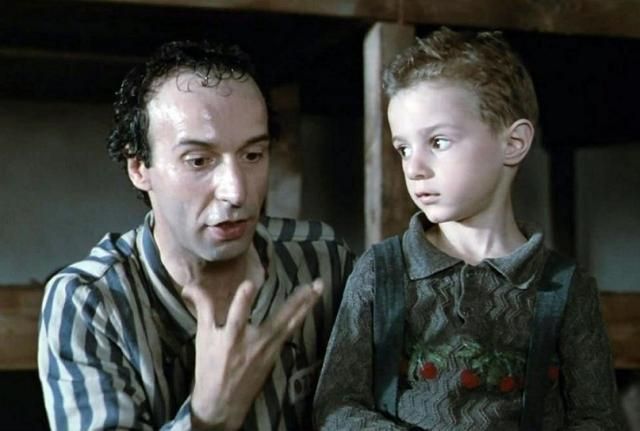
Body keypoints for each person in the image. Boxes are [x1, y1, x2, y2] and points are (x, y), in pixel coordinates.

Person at [314, 27, 624, 430]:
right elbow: (336, 407)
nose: (414, 167)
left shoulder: (565, 288)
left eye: (438, 142)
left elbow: (598, 419)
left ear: (513, 143)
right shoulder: (381, 272)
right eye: (403, 148)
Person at [38, 40, 353, 430]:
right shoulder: (89, 303)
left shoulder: (324, 260)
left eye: (253, 155)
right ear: (139, 168)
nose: (236, 192)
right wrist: (209, 417)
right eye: (199, 160)